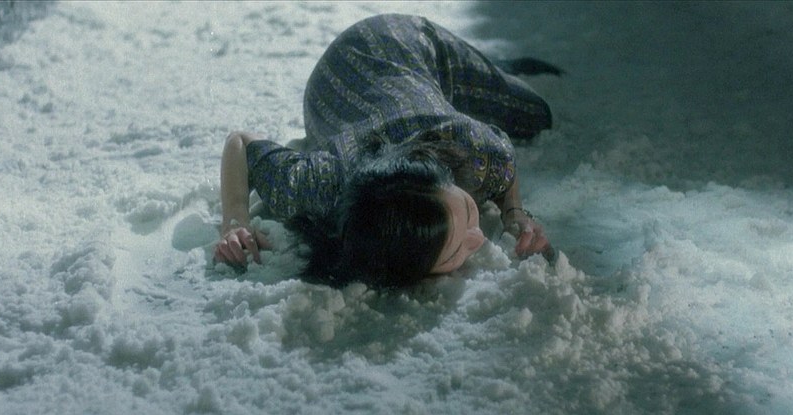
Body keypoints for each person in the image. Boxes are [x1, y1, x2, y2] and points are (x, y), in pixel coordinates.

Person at [213, 14, 557, 288]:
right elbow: (239, 143)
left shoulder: (470, 146)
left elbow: (240, 142)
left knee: (536, 115)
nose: (479, 238)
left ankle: (489, 63)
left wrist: (515, 212)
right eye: (454, 251)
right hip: (340, 79)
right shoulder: (333, 201)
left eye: (468, 209)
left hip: (406, 42)